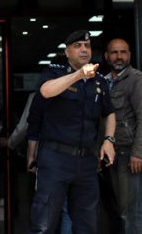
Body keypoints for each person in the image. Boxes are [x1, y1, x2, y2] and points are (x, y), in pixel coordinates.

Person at [26, 30, 116, 234]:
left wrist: (109, 139)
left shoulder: (99, 81)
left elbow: (109, 112)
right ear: (67, 52)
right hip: (55, 158)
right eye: (78, 46)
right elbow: (46, 91)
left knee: (87, 223)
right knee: (44, 222)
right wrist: (78, 75)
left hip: (86, 162)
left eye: (87, 46)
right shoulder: (54, 72)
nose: (84, 49)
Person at [104, 38, 142, 234]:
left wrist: (139, 153)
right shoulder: (105, 82)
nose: (119, 56)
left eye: (123, 52)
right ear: (107, 56)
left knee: (133, 212)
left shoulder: (138, 80)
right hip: (113, 154)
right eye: (115, 52)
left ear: (129, 55)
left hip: (130, 154)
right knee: (120, 210)